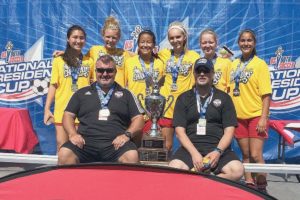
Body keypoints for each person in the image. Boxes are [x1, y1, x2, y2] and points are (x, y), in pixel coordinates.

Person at [58, 55, 144, 165]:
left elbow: (139, 118)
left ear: (115, 72)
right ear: (95, 71)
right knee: (64, 153)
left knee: (131, 155)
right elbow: (68, 115)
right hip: (85, 144)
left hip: (116, 145)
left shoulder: (126, 94)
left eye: (109, 70)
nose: (105, 74)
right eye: (100, 70)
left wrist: (127, 135)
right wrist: (72, 134)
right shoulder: (81, 93)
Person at [168, 57, 244, 181]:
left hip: (217, 148)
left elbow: (229, 131)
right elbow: (179, 132)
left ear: (213, 74)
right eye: (199, 71)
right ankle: (207, 184)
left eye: (206, 70)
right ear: (194, 74)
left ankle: (204, 186)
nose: (202, 74)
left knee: (237, 170)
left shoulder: (224, 98)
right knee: (174, 168)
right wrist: (194, 153)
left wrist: (217, 152)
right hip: (190, 148)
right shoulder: (183, 98)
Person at [229, 29, 272, 192]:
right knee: (245, 155)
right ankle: (249, 185)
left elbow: (266, 94)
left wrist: (263, 118)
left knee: (256, 155)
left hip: (255, 116)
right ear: (238, 43)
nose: (246, 43)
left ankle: (261, 186)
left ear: (254, 43)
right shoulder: (234, 64)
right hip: (238, 117)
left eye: (249, 40)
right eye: (242, 40)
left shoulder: (260, 64)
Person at [44, 25, 93, 152]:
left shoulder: (90, 61)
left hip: (83, 113)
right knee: (62, 146)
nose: (78, 41)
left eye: (81, 38)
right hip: (62, 110)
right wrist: (47, 108)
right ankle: (62, 172)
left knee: (80, 148)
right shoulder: (58, 61)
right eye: (75, 37)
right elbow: (53, 85)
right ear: (68, 39)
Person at [158, 21, 200, 151]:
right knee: (166, 146)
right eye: (171, 38)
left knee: (189, 146)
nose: (175, 40)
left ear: (184, 37)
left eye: (178, 37)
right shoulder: (163, 54)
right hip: (167, 106)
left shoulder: (194, 56)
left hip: (185, 106)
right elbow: (140, 54)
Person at [124, 30, 164, 144]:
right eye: (142, 42)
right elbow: (123, 86)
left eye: (148, 42)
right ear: (137, 43)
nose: (145, 45)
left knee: (151, 147)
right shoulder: (129, 62)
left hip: (153, 113)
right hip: (134, 112)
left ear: (154, 45)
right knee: (134, 144)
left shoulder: (160, 63)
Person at [86, 16, 135, 87]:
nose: (110, 40)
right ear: (103, 36)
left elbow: (140, 58)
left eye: (114, 38)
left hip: (118, 93)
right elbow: (82, 60)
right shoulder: (94, 50)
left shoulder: (124, 53)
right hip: (97, 93)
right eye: (108, 37)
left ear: (119, 38)